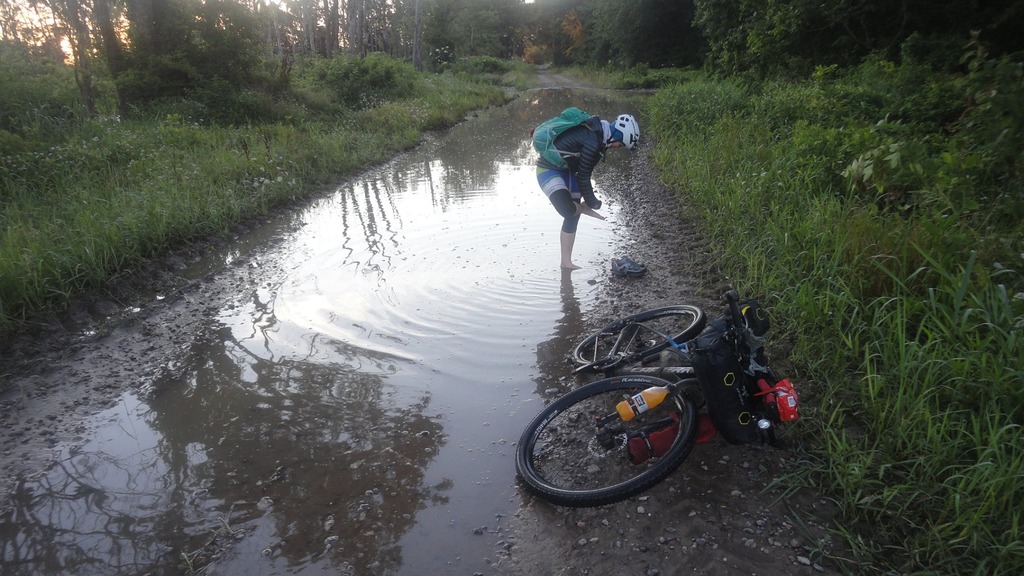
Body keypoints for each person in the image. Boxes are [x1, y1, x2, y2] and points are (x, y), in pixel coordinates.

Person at [536, 113, 640, 270]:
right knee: (567, 210)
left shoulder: (600, 137)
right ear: (617, 137)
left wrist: (589, 201)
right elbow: (584, 178)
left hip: (570, 172)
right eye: (621, 144)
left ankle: (566, 263)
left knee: (573, 216)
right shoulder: (593, 140)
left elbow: (584, 173)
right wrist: (593, 204)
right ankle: (582, 209)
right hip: (548, 169)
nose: (618, 148)